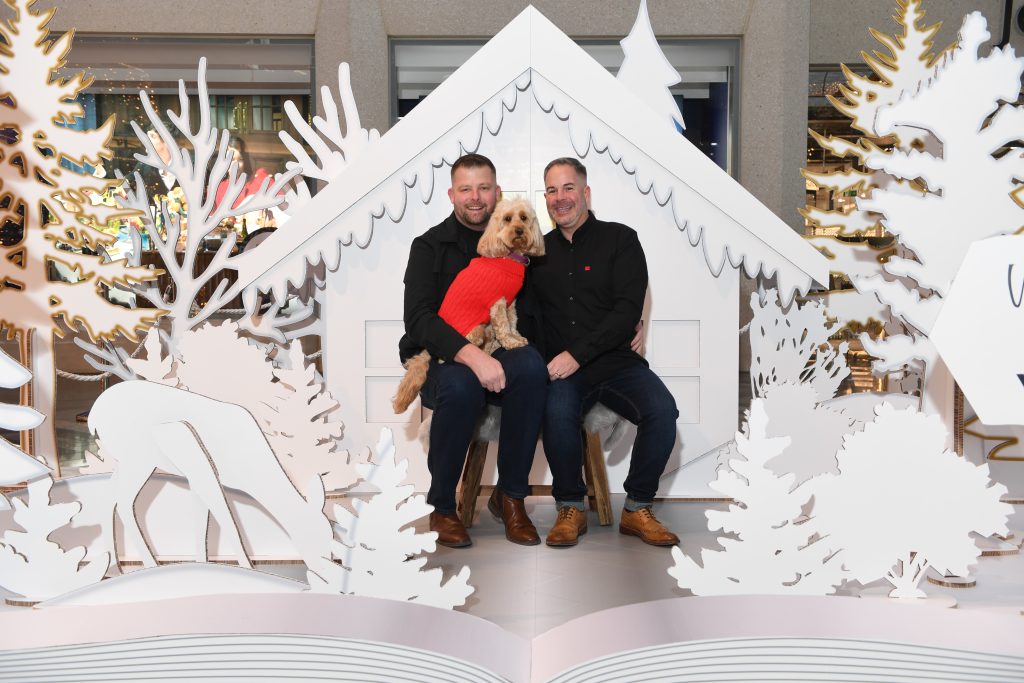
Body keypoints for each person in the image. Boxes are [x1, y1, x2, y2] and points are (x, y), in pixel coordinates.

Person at [398, 153, 548, 548]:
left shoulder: (519, 251)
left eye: (484, 188)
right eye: (466, 189)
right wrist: (471, 354)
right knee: (462, 386)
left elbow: (531, 312)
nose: (476, 197)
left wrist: (627, 321)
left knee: (531, 367)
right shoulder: (429, 246)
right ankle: (443, 506)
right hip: (443, 356)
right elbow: (418, 320)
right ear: (452, 194)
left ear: (497, 193)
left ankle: (511, 497)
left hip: (497, 342)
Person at [530, 157, 680, 548]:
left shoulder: (621, 239)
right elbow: (526, 318)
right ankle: (570, 508)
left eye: (567, 188)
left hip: (616, 362)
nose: (559, 198)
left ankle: (637, 507)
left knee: (662, 411)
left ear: (585, 193)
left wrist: (578, 353)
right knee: (556, 411)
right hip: (562, 369)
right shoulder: (535, 254)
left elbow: (627, 310)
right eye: (551, 190)